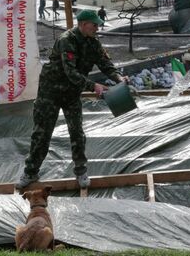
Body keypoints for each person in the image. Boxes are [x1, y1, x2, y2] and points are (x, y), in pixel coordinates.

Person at [16, 10, 127, 190]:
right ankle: (30, 172)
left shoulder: (93, 43)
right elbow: (71, 72)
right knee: (42, 134)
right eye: (94, 25)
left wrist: (119, 79)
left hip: (71, 94)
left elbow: (106, 64)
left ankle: (81, 171)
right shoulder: (67, 40)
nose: (97, 28)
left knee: (77, 133)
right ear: (83, 24)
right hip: (50, 93)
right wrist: (94, 86)